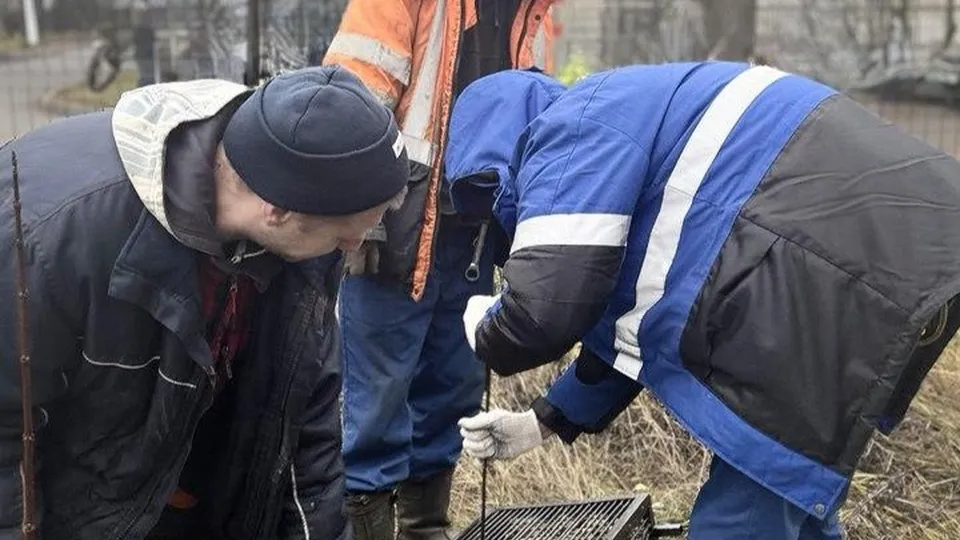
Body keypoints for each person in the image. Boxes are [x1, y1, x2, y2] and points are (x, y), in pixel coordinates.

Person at [443, 64, 960, 540]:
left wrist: (489, 327)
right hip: (875, 260)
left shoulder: (571, 127)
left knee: (742, 518)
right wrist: (542, 421)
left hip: (816, 273)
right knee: (790, 501)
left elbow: (543, 310)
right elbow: (630, 329)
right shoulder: (624, 137)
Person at [0, 65, 409, 540]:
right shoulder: (46, 241)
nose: (355, 246)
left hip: (190, 494)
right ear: (277, 210)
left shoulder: (301, 216)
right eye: (346, 232)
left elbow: (304, 427)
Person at [320, 2, 555, 538]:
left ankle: (426, 526)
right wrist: (355, 219)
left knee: (453, 387)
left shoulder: (534, 12)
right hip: (394, 228)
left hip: (473, 231)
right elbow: (352, 103)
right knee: (375, 399)